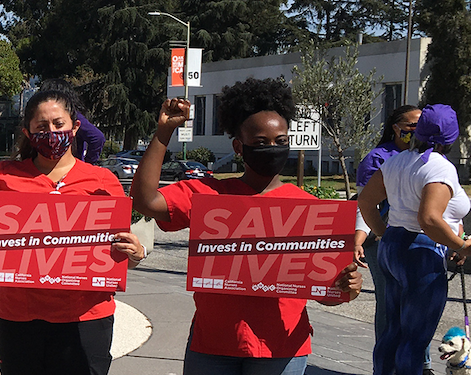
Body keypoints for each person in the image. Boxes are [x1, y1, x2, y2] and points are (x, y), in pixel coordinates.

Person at [130, 78, 363, 374]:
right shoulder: (209, 196)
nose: (273, 149)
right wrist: (165, 131)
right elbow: (145, 200)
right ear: (239, 147)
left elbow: (327, 293)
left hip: (280, 349)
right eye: (261, 143)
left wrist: (348, 287)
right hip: (212, 345)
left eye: (280, 142)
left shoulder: (309, 209)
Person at [0, 88, 146, 375]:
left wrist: (136, 253)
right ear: (28, 132)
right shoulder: (4, 176)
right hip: (19, 318)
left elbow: (116, 252)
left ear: (75, 127)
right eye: (41, 127)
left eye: (58, 124)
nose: (51, 132)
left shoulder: (103, 181)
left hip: (86, 317)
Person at [359, 104, 470, 375]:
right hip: (421, 252)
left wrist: (385, 234)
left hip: (394, 245)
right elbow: (429, 219)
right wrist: (462, 246)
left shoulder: (396, 161)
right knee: (415, 337)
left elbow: (365, 201)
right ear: (451, 138)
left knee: (393, 330)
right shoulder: (439, 168)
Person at [352, 104, 423, 363]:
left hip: (419, 241)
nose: (416, 130)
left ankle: (420, 363)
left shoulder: (429, 156)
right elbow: (366, 204)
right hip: (383, 241)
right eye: (411, 125)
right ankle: (386, 362)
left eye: (421, 124)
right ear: (395, 127)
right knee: (389, 302)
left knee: (418, 304)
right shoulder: (377, 158)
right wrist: (364, 238)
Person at [37, 79, 105, 164]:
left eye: (59, 124)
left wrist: (88, 165)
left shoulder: (73, 115)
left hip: (71, 169)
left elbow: (97, 137)